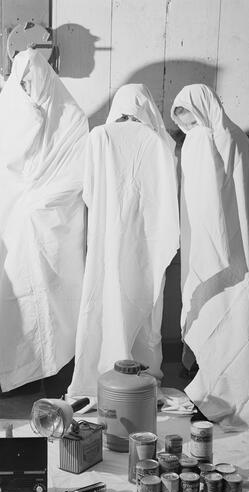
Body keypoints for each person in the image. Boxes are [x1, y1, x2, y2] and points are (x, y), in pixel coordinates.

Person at [0, 49, 88, 396]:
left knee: (55, 302)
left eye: (31, 82)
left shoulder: (71, 117)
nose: (27, 89)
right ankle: (17, 373)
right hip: (11, 228)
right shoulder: (8, 114)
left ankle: (54, 371)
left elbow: (76, 176)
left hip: (54, 228)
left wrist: (39, 203)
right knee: (14, 301)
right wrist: (17, 204)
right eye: (21, 83)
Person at [170, 84, 249, 431]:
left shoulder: (207, 140)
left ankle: (221, 398)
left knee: (220, 318)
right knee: (231, 320)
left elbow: (209, 208)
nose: (187, 127)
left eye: (190, 118)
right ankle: (222, 389)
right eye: (183, 122)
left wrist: (211, 254)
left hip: (218, 254)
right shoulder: (236, 137)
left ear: (204, 109)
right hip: (236, 248)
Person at [66, 84, 180, 403]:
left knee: (105, 296)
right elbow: (167, 197)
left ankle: (102, 371)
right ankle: (143, 375)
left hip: (108, 233)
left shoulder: (99, 136)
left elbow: (89, 190)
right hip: (146, 240)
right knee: (146, 303)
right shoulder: (158, 142)